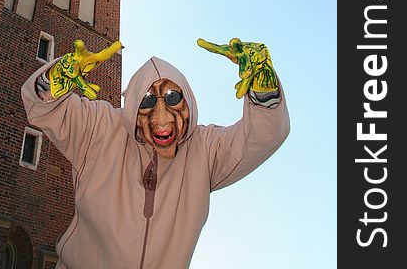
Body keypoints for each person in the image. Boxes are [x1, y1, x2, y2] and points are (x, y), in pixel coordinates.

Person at [21, 37, 290, 269]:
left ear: (188, 99)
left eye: (173, 98)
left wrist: (263, 85)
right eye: (148, 101)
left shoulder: (204, 150)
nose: (162, 119)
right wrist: (58, 76)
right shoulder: (99, 127)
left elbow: (262, 137)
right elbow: (41, 106)